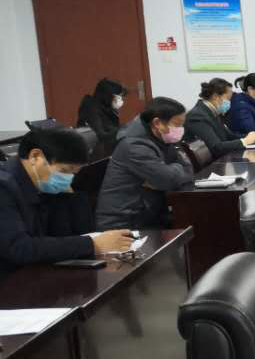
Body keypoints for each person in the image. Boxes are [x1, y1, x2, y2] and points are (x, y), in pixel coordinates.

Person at [0, 128, 132, 278]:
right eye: (64, 171)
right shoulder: (4, 187)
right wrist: (93, 244)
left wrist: (69, 197)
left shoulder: (39, 183)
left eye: (73, 173)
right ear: (35, 157)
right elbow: (19, 248)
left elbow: (65, 234)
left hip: (34, 273)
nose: (68, 179)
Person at [94, 98, 193, 230]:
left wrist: (169, 173)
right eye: (177, 125)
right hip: (124, 224)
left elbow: (188, 168)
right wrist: (171, 172)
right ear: (157, 123)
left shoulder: (163, 138)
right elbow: (167, 179)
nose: (181, 130)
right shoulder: (135, 146)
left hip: (148, 214)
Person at [185, 78, 255, 158]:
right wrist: (245, 141)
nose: (230, 102)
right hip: (209, 166)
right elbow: (216, 147)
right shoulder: (197, 116)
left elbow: (229, 136)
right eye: (228, 99)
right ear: (215, 96)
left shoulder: (213, 111)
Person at [76, 77, 127, 157]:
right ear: (107, 96)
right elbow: (101, 136)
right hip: (96, 154)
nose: (120, 100)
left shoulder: (106, 108)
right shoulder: (91, 109)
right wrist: (125, 128)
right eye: (117, 97)